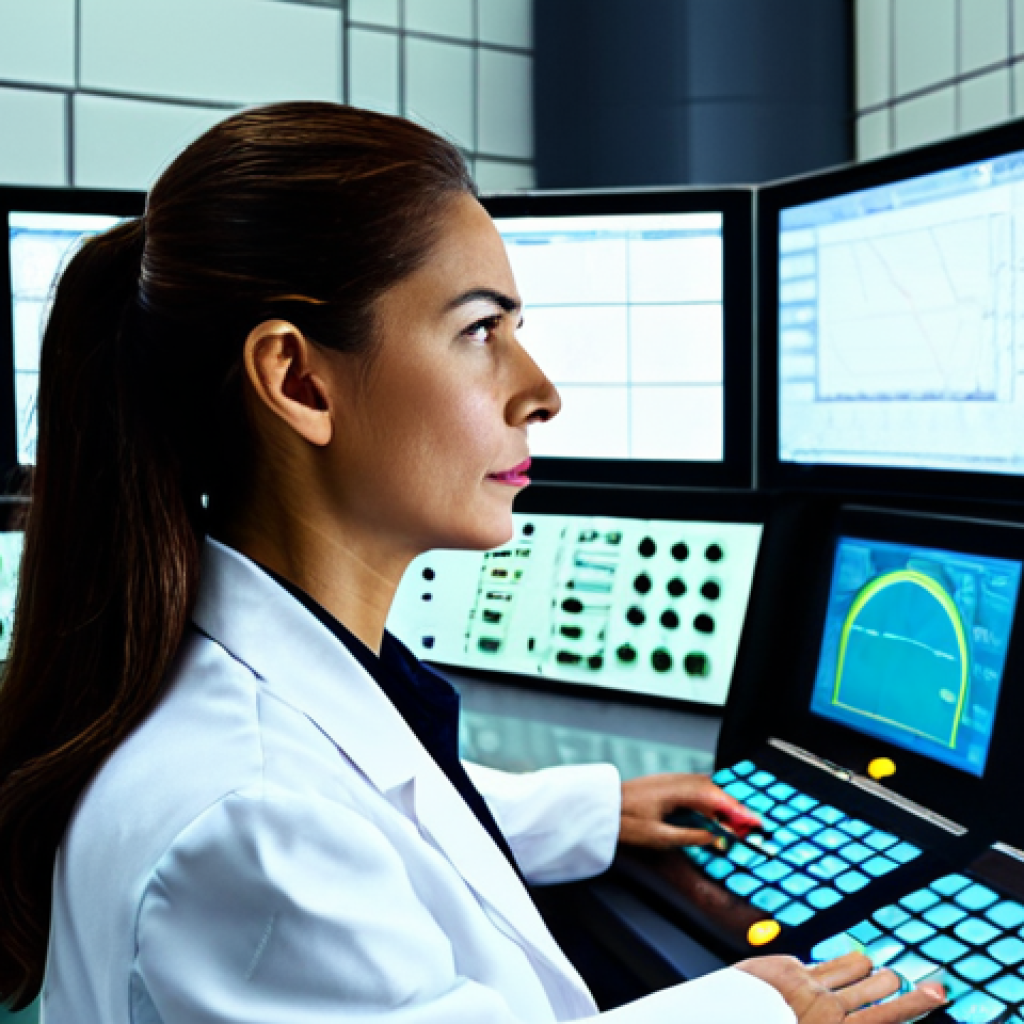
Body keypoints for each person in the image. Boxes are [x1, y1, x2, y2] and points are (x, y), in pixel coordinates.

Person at [0, 102, 945, 1024]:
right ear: (299, 380)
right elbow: (311, 829)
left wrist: (580, 809)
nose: (542, 393)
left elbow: (385, 798)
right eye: (482, 331)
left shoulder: (209, 668)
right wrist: (761, 1011)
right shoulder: (253, 827)